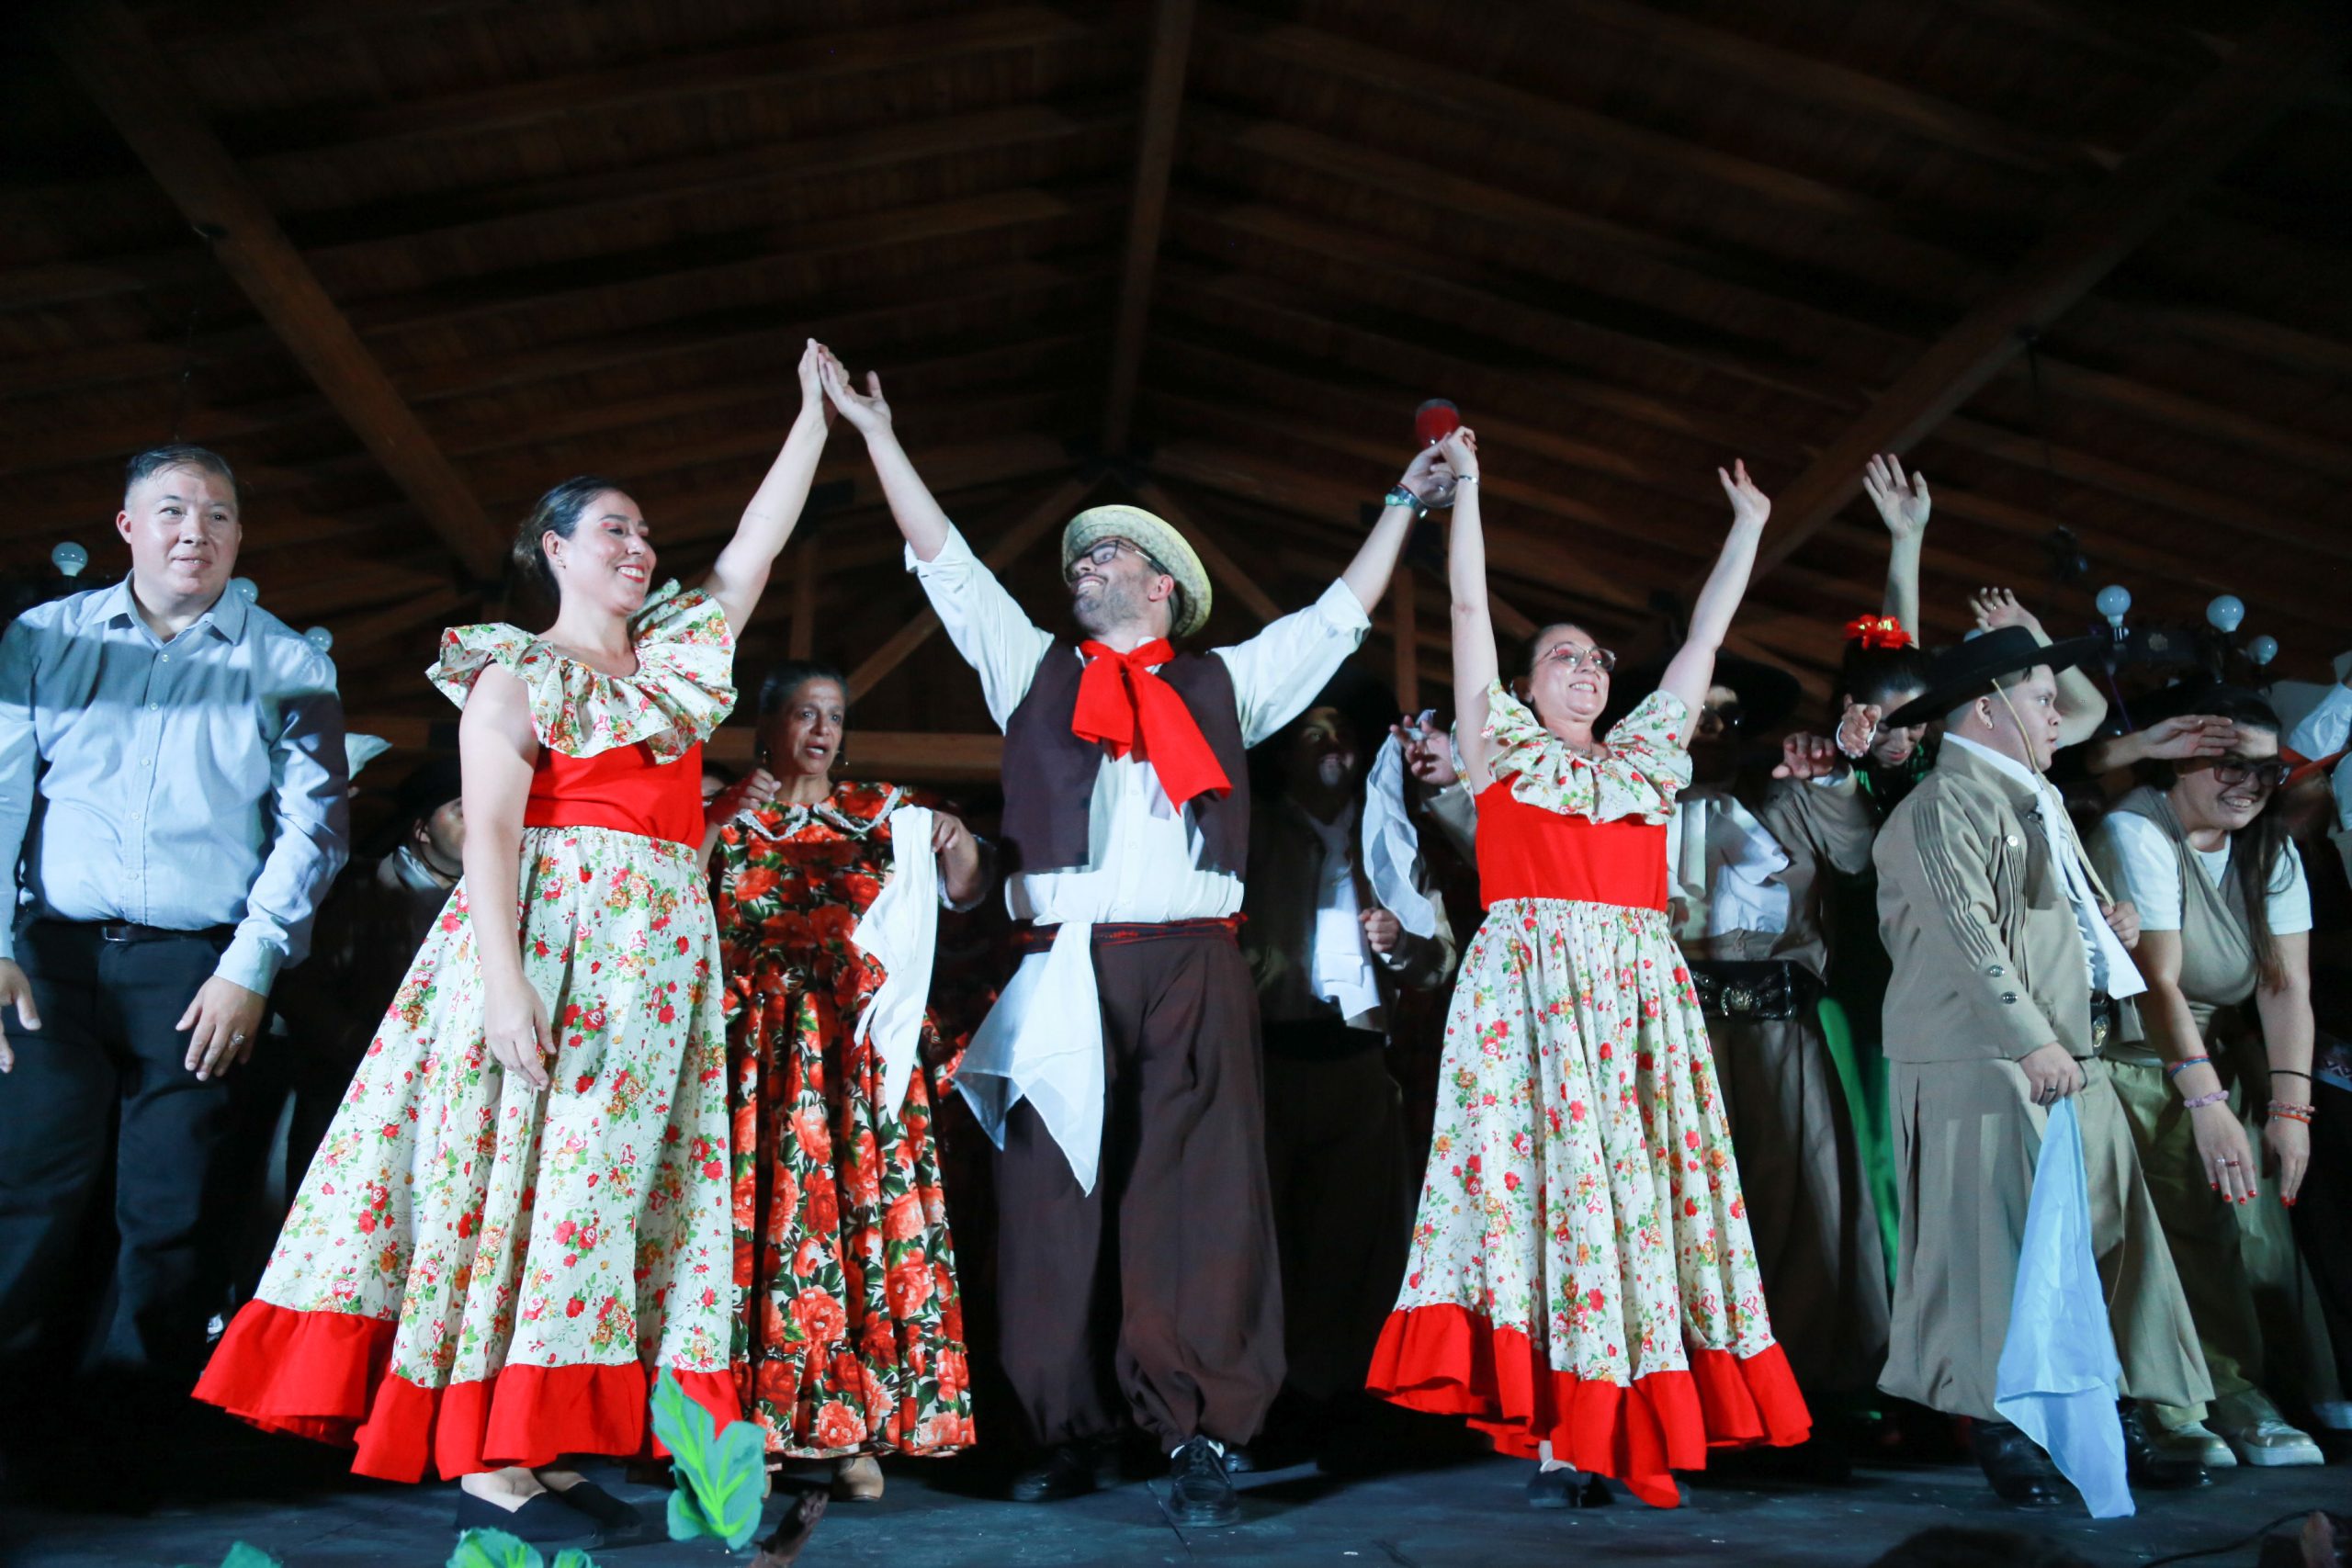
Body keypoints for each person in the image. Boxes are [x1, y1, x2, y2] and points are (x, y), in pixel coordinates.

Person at [195, 343, 835, 1544]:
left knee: (609, 1197)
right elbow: (489, 831)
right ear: (554, 550)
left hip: (658, 969)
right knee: (523, 1188)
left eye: (645, 532)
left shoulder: (678, 658)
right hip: (550, 948)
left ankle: (533, 1441)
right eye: (612, 530)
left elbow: (755, 543)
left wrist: (814, 416)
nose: (638, 546)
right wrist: (504, 987)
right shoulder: (513, 671)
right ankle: (490, 1457)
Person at [818, 346, 1425, 1527]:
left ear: (1164, 588)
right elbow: (948, 566)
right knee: (1051, 1201)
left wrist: (1404, 499)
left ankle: (1196, 1430)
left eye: (1108, 553)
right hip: (1059, 965)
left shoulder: (1228, 684)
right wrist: (878, 436)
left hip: (1191, 963)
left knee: (1194, 1202)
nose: (1084, 564)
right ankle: (1067, 1426)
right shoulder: (1031, 669)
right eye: (1079, 555)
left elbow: (1339, 616)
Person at [1369, 434, 1809, 1510]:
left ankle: (1622, 1414)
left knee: (1634, 1204)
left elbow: (1703, 638)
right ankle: (1558, 1432)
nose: (1588, 666)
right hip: (1530, 995)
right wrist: (1470, 493)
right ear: (1525, 687)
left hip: (1634, 1001)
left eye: (1599, 658)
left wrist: (1749, 530)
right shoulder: (1502, 749)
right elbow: (1466, 609)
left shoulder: (1649, 757)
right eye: (1564, 655)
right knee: (1543, 1200)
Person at [0, 444, 349, 1501]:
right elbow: (4, 788)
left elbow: (313, 829)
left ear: (239, 534)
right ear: (128, 527)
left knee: (170, 1210)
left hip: (198, 971)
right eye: (172, 511)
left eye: (218, 515)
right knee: (31, 1191)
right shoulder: (44, 637)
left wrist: (252, 966)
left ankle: (116, 1448)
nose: (195, 531)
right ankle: (11, 1423)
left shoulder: (288, 661)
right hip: (50, 962)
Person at [1871, 626, 2212, 1506]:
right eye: (2042, 699)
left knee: (2099, 1235)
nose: (2058, 715)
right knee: (1993, 1249)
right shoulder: (1944, 802)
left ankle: (2108, 1409)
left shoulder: (2035, 797)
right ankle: (2002, 1423)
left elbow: (2039, 914)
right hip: (1984, 1054)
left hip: (2065, 1046)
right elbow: (1965, 934)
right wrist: (2030, 1038)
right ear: (1987, 709)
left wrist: (2106, 923)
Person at [707, 659, 988, 1499]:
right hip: (758, 1055)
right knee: (756, 1235)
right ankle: (751, 1426)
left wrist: (957, 840)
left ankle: (857, 1429)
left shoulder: (884, 811)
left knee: (859, 1232)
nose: (821, 729)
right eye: (804, 712)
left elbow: (967, 892)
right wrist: (717, 818)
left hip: (857, 1055)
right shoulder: (729, 814)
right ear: (767, 726)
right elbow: (676, 897)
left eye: (833, 714)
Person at [2090, 687, 2339, 1467]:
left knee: (2252, 1233)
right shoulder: (2138, 829)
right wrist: (2204, 1100)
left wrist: (2291, 1110)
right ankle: (2183, 1401)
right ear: (2180, 760)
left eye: (2264, 772)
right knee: (2173, 1230)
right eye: (2229, 765)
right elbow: (2157, 983)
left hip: (2214, 1061)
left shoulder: (2270, 851)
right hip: (2138, 1062)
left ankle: (2248, 1388)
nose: (2249, 786)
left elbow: (2285, 985)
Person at [1241, 680, 1455, 1462]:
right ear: (1284, 757)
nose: (1336, 747)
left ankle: (1332, 1398)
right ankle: (1263, 1402)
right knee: (1267, 1239)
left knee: (1352, 1242)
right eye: (1314, 734)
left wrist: (1403, 944)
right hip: (1270, 1061)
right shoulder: (1254, 835)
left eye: (1343, 734)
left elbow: (1439, 958)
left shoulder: (1388, 834)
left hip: (1358, 1061)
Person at [274, 756, 466, 1174]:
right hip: (350, 1095)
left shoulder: (499, 902)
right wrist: (365, 1049)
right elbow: (302, 991)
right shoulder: (356, 893)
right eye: (463, 811)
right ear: (421, 829)